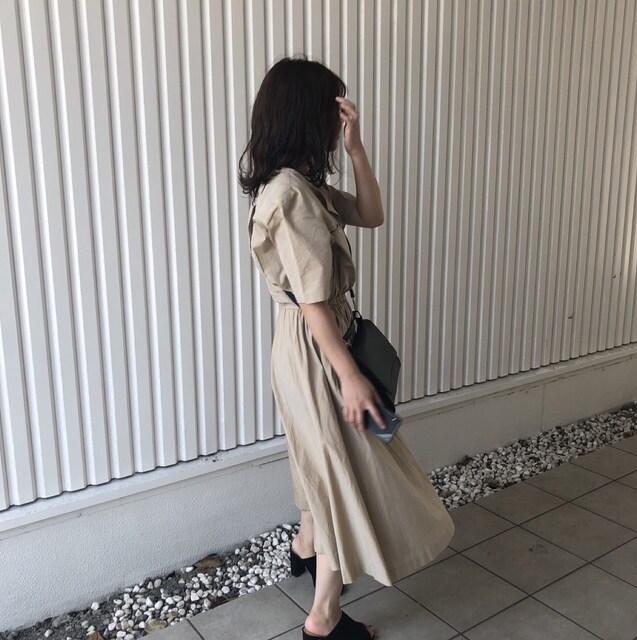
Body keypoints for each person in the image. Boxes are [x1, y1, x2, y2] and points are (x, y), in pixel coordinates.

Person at [240, 56, 455, 640]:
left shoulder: (299, 185)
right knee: (348, 472)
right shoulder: (291, 194)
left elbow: (371, 214)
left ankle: (306, 546)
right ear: (307, 115)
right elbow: (312, 302)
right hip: (319, 346)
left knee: (319, 460)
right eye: (333, 112)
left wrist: (357, 150)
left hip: (310, 343)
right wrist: (351, 378)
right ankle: (323, 619)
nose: (339, 123)